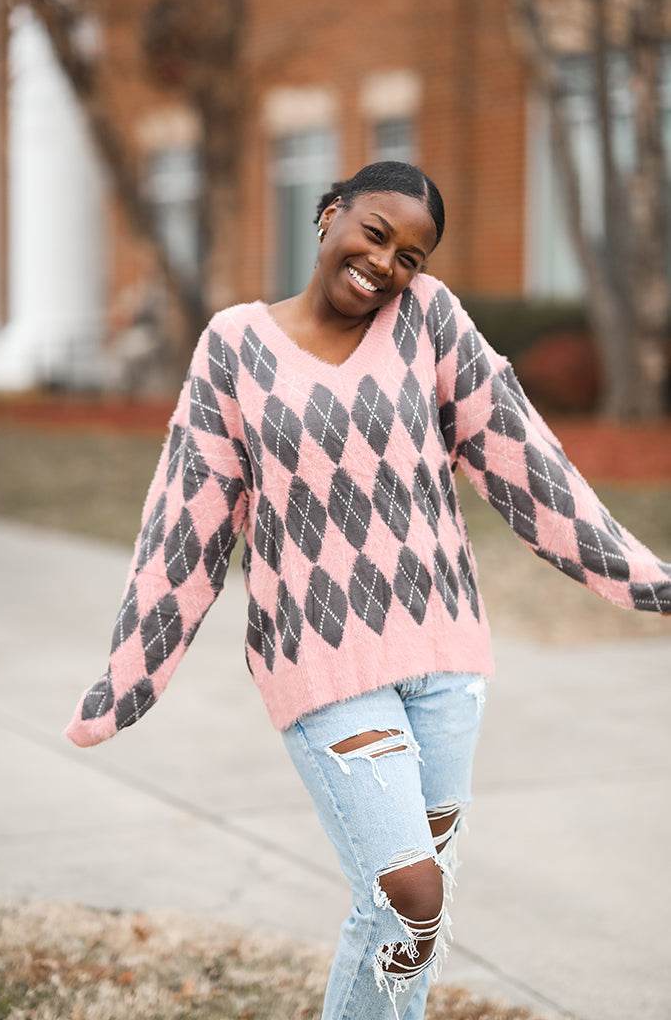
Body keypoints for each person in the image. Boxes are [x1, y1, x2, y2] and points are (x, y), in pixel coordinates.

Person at [65, 161, 670, 1020]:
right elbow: (184, 523)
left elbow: (526, 465)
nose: (386, 264)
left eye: (410, 256)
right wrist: (129, 677)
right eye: (375, 234)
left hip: (444, 657)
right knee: (408, 895)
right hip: (320, 664)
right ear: (329, 215)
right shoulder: (234, 347)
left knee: (413, 915)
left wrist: (643, 580)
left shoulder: (429, 323)